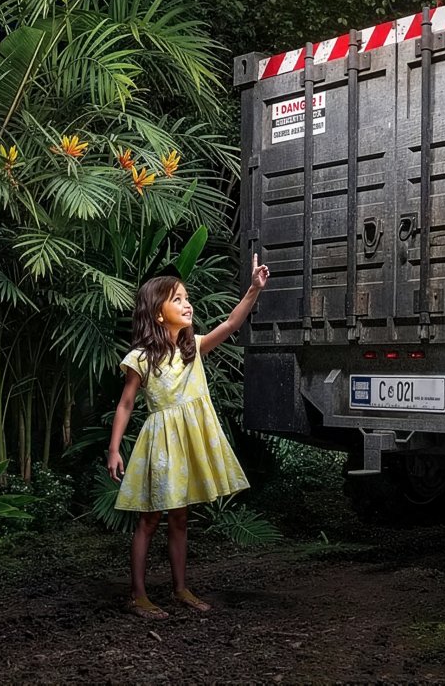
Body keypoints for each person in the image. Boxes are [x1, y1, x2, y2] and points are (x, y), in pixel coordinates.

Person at [107, 255, 270, 619]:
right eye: (177, 299)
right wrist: (114, 448)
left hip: (187, 444)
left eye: (186, 296)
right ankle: (138, 595)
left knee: (180, 519)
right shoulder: (142, 357)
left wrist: (253, 290)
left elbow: (230, 323)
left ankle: (180, 589)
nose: (187, 303)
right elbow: (126, 403)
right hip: (160, 445)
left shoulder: (192, 348)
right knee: (149, 520)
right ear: (158, 314)